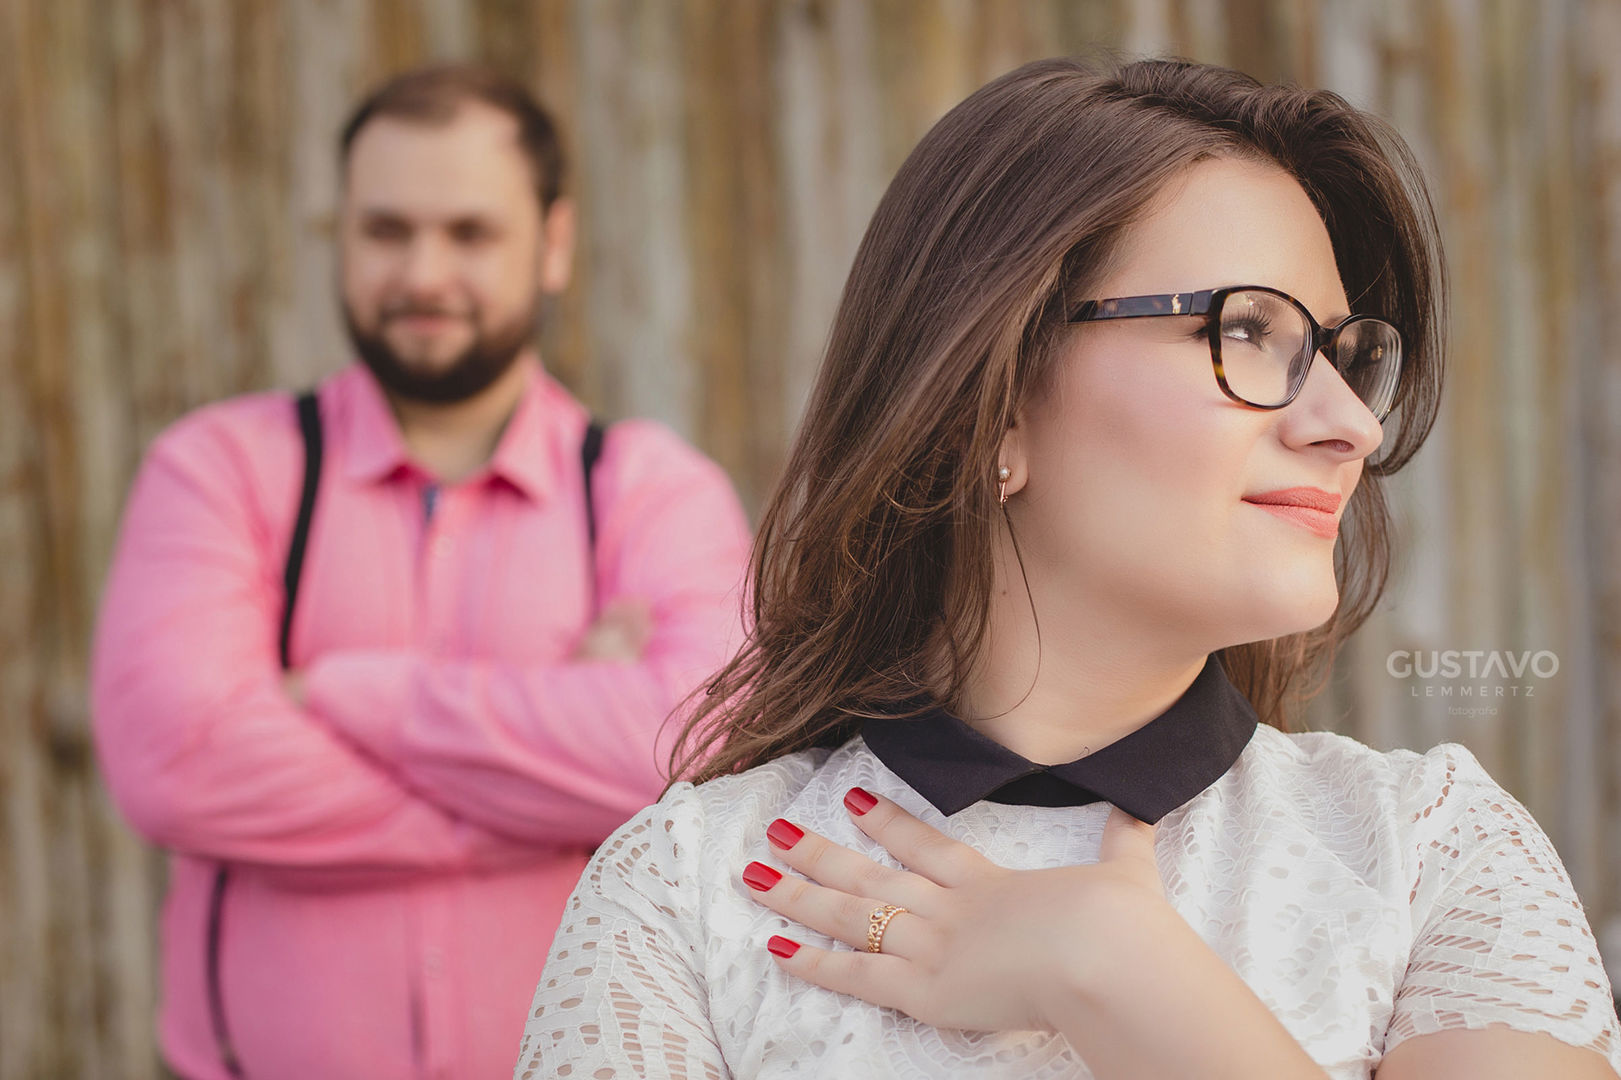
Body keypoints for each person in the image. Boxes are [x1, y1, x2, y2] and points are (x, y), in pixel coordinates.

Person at [515, 55, 1621, 1080]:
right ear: (990, 403)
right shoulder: (680, 891)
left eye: (1342, 356)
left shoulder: (1430, 852)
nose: (1349, 427)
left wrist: (1123, 977)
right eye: (1253, 333)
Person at [91, 65, 750, 1079]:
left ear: (554, 244)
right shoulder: (220, 471)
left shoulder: (649, 492)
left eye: (470, 233)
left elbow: (700, 749)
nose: (423, 274)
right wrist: (553, 778)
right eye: (386, 231)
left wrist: (348, 695)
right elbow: (175, 765)